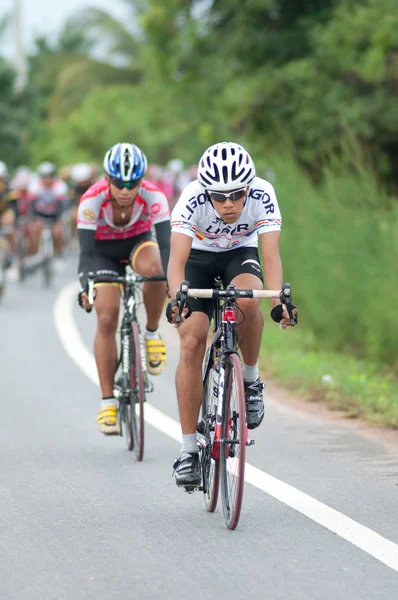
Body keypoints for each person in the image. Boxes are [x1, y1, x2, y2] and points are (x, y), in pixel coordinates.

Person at [166, 141, 298, 488]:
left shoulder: (263, 194)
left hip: (239, 253)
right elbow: (176, 262)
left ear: (248, 188)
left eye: (237, 195)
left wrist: (278, 302)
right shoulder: (190, 198)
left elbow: (271, 258)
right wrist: (178, 299)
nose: (228, 204)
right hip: (196, 259)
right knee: (192, 340)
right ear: (205, 191)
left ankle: (251, 382)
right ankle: (187, 451)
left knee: (249, 300)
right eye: (219, 197)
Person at [77, 142, 171, 435]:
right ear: (107, 180)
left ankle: (153, 334)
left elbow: (167, 245)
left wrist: (172, 282)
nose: (126, 190)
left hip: (137, 243)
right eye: (119, 183)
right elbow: (85, 254)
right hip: (101, 253)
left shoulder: (154, 196)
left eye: (133, 183)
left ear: (141, 181)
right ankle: (107, 404)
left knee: (157, 272)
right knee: (106, 317)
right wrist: (86, 285)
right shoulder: (91, 200)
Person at [28, 162, 69, 262]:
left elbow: (62, 206)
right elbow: (32, 205)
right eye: (44, 176)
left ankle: (59, 252)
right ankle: (35, 254)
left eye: (49, 176)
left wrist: (59, 220)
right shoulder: (35, 185)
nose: (46, 179)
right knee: (34, 231)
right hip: (40, 214)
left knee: (57, 232)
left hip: (55, 215)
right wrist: (34, 219)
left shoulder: (60, 186)